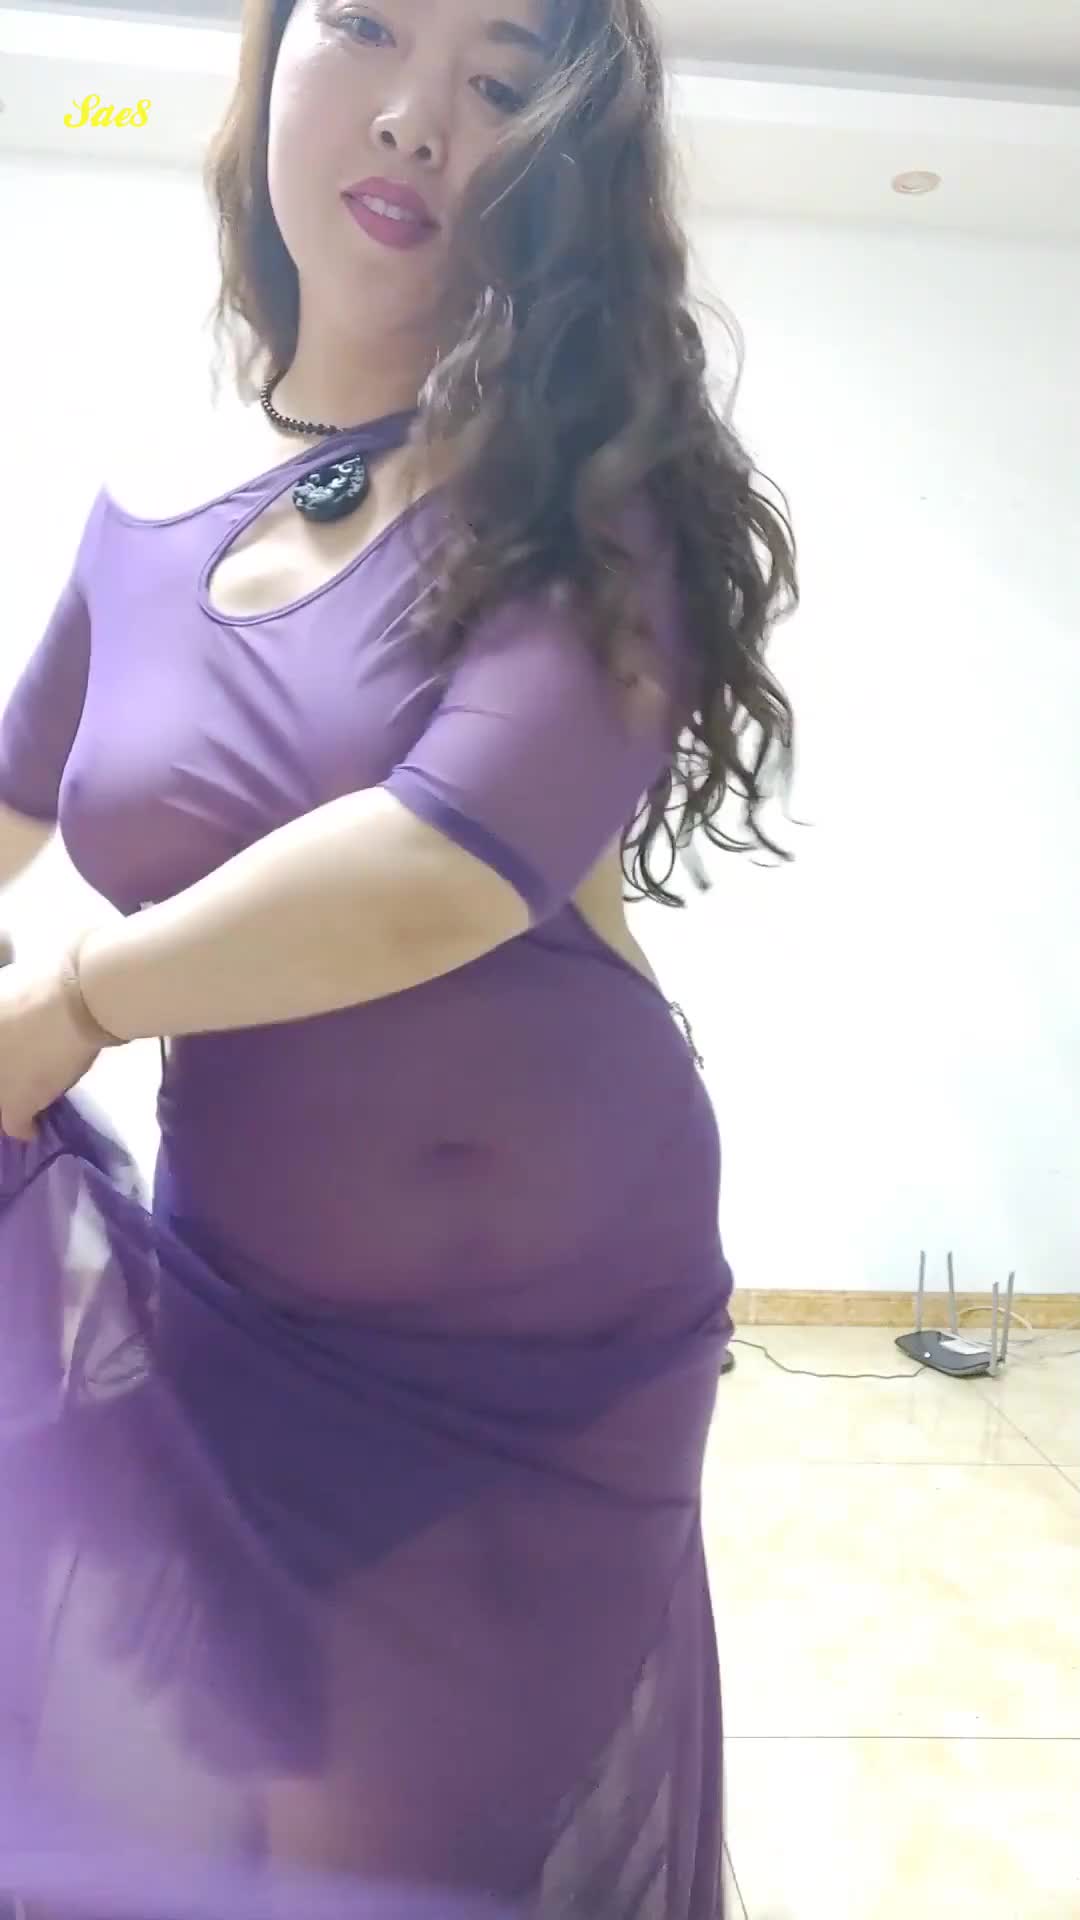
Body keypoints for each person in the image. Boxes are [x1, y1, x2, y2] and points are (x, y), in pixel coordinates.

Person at [0, 0, 795, 1914]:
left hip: (542, 1342)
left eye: (501, 81)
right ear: (269, 57)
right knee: (250, 1799)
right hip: (241, 1295)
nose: (420, 117)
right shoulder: (142, 508)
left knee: (387, 1853)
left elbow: (447, 861)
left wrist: (79, 995)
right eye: (365, 28)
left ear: (561, 155)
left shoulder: (583, 481)